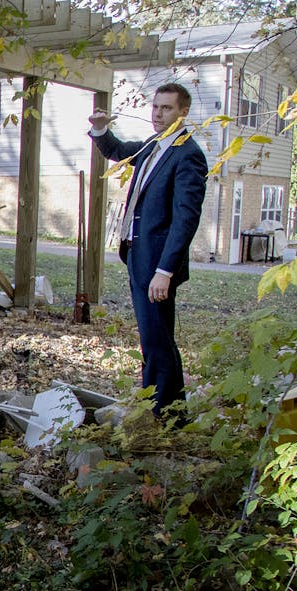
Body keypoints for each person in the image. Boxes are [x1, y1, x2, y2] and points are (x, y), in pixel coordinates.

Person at [87, 83, 207, 422]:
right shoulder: (154, 144)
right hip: (137, 255)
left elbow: (185, 219)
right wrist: (100, 129)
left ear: (183, 112)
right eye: (155, 107)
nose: (157, 114)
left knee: (157, 339)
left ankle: (165, 414)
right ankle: (163, 406)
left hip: (157, 262)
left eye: (166, 109)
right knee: (153, 336)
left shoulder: (188, 154)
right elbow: (119, 149)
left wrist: (165, 271)